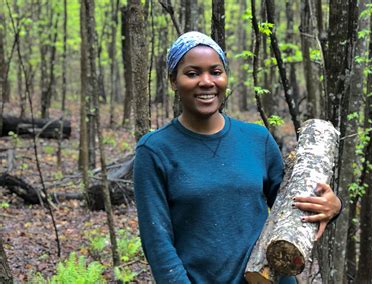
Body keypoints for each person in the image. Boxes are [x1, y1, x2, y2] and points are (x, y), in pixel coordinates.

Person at [133, 31, 342, 284]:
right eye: (192, 73)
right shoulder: (155, 150)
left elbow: (294, 209)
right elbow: (157, 242)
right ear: (173, 81)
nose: (206, 81)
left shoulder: (257, 139)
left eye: (216, 71)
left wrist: (331, 208)